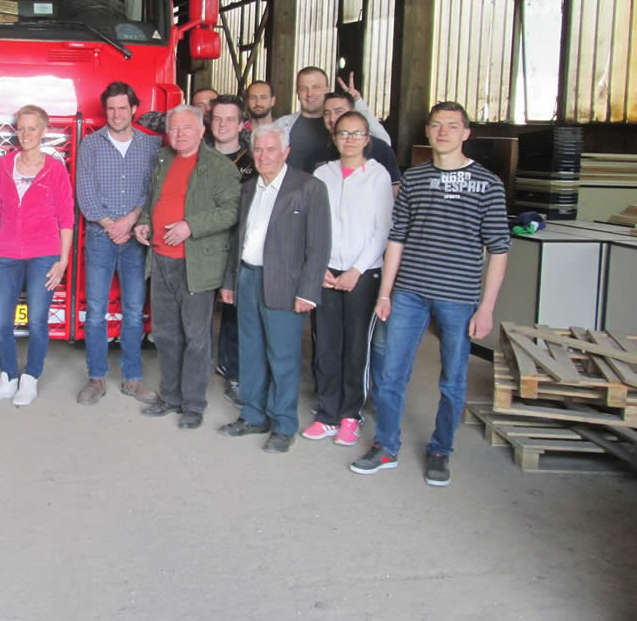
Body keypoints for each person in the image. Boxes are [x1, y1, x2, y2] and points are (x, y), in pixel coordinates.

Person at [351, 101, 510, 486]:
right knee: (391, 373)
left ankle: (441, 449)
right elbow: (397, 238)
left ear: (466, 133)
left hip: (458, 297)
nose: (443, 132)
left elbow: (499, 249)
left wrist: (486, 308)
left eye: (452, 126)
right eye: (436, 125)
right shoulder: (415, 179)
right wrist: (385, 293)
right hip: (409, 292)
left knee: (453, 380)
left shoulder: (488, 184)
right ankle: (386, 446)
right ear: (427, 131)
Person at [218, 124, 330, 453]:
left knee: (282, 357)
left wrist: (308, 291)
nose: (264, 156)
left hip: (286, 283)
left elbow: (319, 245)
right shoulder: (248, 188)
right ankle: (253, 416)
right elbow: (237, 239)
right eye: (258, 149)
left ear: (285, 152)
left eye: (271, 150)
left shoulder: (309, 187)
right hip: (247, 277)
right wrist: (230, 281)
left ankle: (283, 424)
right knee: (250, 351)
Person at [134, 105, 242, 429]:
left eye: (186, 128)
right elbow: (154, 199)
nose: (179, 134)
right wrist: (144, 221)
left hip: (196, 264)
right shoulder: (163, 158)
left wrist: (190, 226)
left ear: (201, 130)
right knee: (166, 334)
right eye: (174, 128)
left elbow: (231, 210)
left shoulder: (218, 166)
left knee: (196, 338)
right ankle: (170, 397)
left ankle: (193, 404)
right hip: (161, 258)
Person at [303, 111, 393, 448]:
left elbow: (382, 229)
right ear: (334, 137)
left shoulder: (378, 176)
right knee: (326, 343)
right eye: (343, 133)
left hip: (363, 273)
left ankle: (351, 415)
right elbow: (312, 224)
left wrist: (356, 271)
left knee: (356, 346)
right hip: (326, 270)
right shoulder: (322, 174)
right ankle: (327, 414)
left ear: (367, 139)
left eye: (357, 134)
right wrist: (319, 265)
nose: (350, 139)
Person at [0, 105, 74, 407]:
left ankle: (30, 378)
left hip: (44, 255)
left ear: (43, 131)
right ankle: (8, 377)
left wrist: (63, 260)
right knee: (0, 321)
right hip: (7, 254)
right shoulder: (5, 165)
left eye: (32, 128)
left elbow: (66, 219)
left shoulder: (55, 169)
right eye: (21, 128)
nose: (25, 134)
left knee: (36, 322)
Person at [74, 81, 161, 406]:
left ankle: (132, 379)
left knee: (134, 311)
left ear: (134, 109)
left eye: (122, 107)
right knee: (95, 311)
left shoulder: (151, 146)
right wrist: (112, 226)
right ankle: (96, 378)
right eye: (110, 108)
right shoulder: (90, 145)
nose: (116, 114)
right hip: (101, 236)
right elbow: (85, 193)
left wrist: (130, 220)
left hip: (136, 237)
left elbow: (152, 190)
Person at [209, 94, 255, 408]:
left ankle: (234, 372)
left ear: (242, 125)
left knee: (235, 314)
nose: (223, 125)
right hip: (200, 246)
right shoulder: (194, 155)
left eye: (230, 119)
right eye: (217, 118)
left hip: (238, 247)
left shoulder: (254, 162)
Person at [276, 68, 390, 173]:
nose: (310, 93)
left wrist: (358, 103)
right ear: (297, 92)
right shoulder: (282, 125)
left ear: (327, 90)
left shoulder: (340, 123)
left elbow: (384, 143)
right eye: (303, 88)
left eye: (316, 87)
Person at [317, 91, 401, 190]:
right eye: (327, 113)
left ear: (354, 112)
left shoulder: (380, 148)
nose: (332, 119)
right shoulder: (320, 151)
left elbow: (393, 190)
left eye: (338, 111)